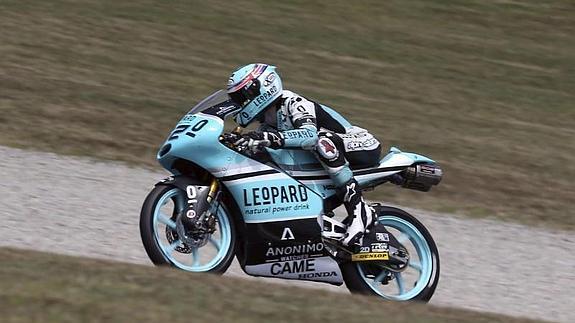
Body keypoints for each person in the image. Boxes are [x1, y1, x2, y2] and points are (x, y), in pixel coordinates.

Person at [227, 63, 381, 248]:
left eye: (244, 96)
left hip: (361, 144)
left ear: (264, 86)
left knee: (322, 141)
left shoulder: (293, 102)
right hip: (331, 159)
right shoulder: (267, 123)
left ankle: (361, 212)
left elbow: (309, 136)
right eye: (237, 99)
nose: (242, 103)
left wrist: (268, 138)